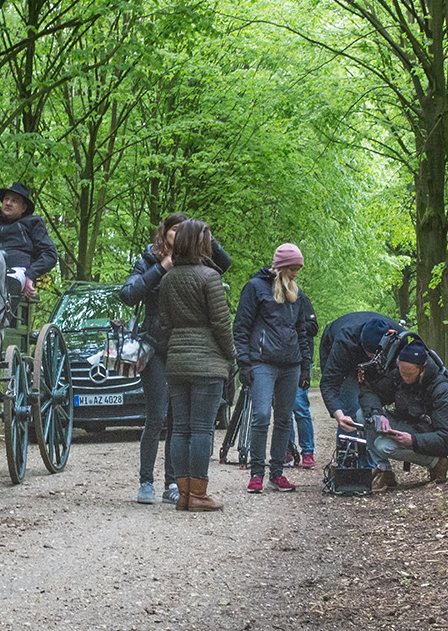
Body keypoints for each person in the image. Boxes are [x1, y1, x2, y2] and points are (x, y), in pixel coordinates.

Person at [120, 213, 232, 505]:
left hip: (181, 349)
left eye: (185, 230)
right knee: (157, 416)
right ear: (164, 232)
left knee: (176, 421)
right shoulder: (149, 258)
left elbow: (225, 263)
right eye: (175, 229)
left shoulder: (199, 266)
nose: (179, 233)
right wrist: (161, 267)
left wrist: (202, 234)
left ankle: (176, 483)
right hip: (157, 346)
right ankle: (147, 480)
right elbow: (129, 293)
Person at [159, 218, 234, 512]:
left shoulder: (167, 279)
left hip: (177, 361)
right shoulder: (209, 277)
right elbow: (221, 323)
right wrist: (230, 354)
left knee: (181, 429)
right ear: (198, 243)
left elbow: (165, 323)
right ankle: (199, 495)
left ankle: (184, 495)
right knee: (202, 429)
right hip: (207, 362)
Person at [233, 243, 317, 493]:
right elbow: (241, 327)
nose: (295, 273)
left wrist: (305, 367)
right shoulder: (255, 288)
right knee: (261, 416)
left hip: (291, 365)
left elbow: (302, 331)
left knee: (283, 419)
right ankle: (256, 473)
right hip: (262, 363)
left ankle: (277, 473)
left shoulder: (297, 294)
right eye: (292, 268)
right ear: (280, 267)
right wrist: (244, 363)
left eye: (298, 269)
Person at [359, 339, 448, 488]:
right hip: (406, 425)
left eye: (409, 375)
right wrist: (377, 414)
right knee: (363, 414)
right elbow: (371, 392)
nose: (404, 378)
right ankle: (385, 472)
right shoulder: (399, 376)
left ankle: (437, 463)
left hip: (427, 434)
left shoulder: (443, 390)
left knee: (382, 445)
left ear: (422, 370)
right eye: (401, 372)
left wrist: (413, 440)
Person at [318, 311, 398, 477]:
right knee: (351, 406)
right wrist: (339, 415)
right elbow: (329, 383)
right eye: (370, 355)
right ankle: (346, 464)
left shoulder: (397, 336)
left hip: (376, 357)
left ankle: (372, 463)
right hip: (338, 352)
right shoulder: (344, 342)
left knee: (370, 404)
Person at [0, 181, 58, 299]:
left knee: (10, 283)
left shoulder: (32, 224)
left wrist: (31, 274)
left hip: (16, 272)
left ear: (23, 208)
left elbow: (50, 254)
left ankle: (4, 318)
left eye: (14, 201)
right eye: (6, 199)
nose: (8, 203)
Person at [286, 292, 318, 469]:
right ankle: (288, 450)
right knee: (284, 408)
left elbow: (314, 327)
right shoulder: (272, 297)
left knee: (299, 405)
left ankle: (307, 451)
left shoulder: (302, 298)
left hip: (301, 359)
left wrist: (294, 322)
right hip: (281, 358)